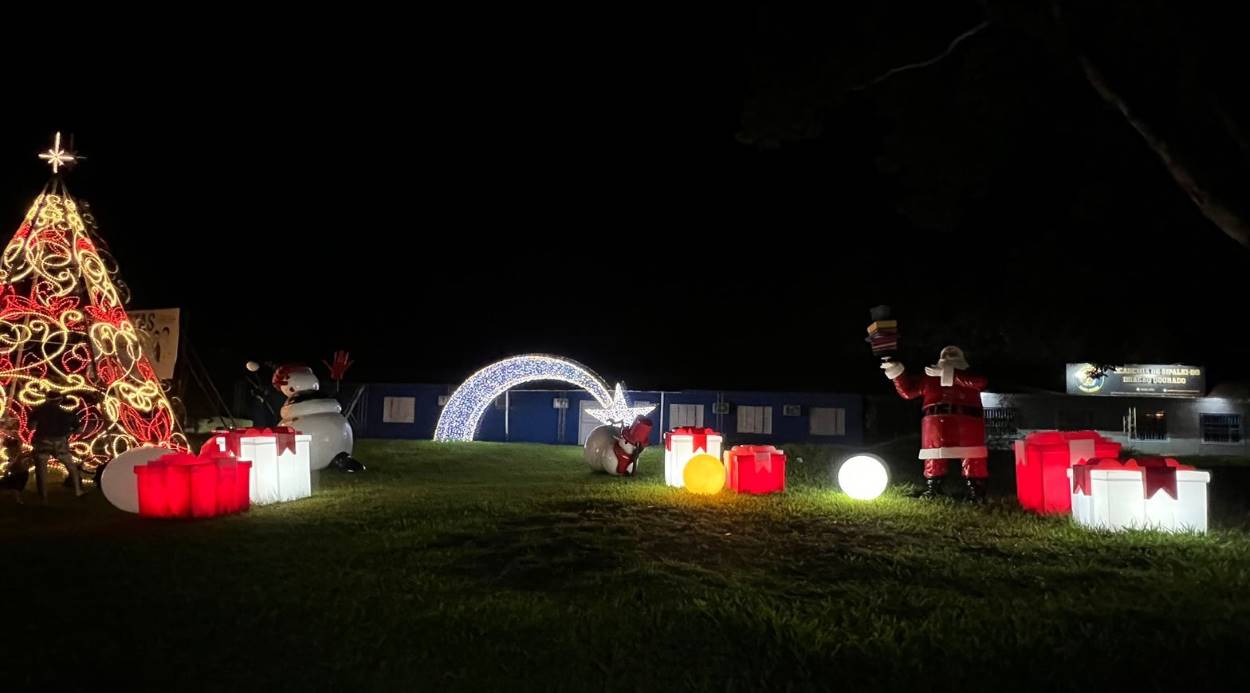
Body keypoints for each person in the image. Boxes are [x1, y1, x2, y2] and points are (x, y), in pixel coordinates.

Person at [881, 345, 990, 501]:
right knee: (934, 458)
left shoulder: (969, 377)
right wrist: (897, 371)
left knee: (972, 457)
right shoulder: (929, 378)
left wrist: (948, 374)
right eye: (946, 353)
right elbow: (908, 392)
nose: (949, 354)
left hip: (966, 426)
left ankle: (977, 494)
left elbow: (980, 382)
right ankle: (934, 489)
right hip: (935, 426)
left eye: (954, 353)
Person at [26, 392, 88, 501]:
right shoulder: (68, 414)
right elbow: (79, 430)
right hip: (60, 442)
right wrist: (70, 432)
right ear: (60, 401)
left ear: (46, 399)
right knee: (71, 466)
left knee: (41, 469)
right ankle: (78, 491)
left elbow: (31, 427)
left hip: (42, 442)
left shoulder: (38, 412)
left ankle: (43, 497)